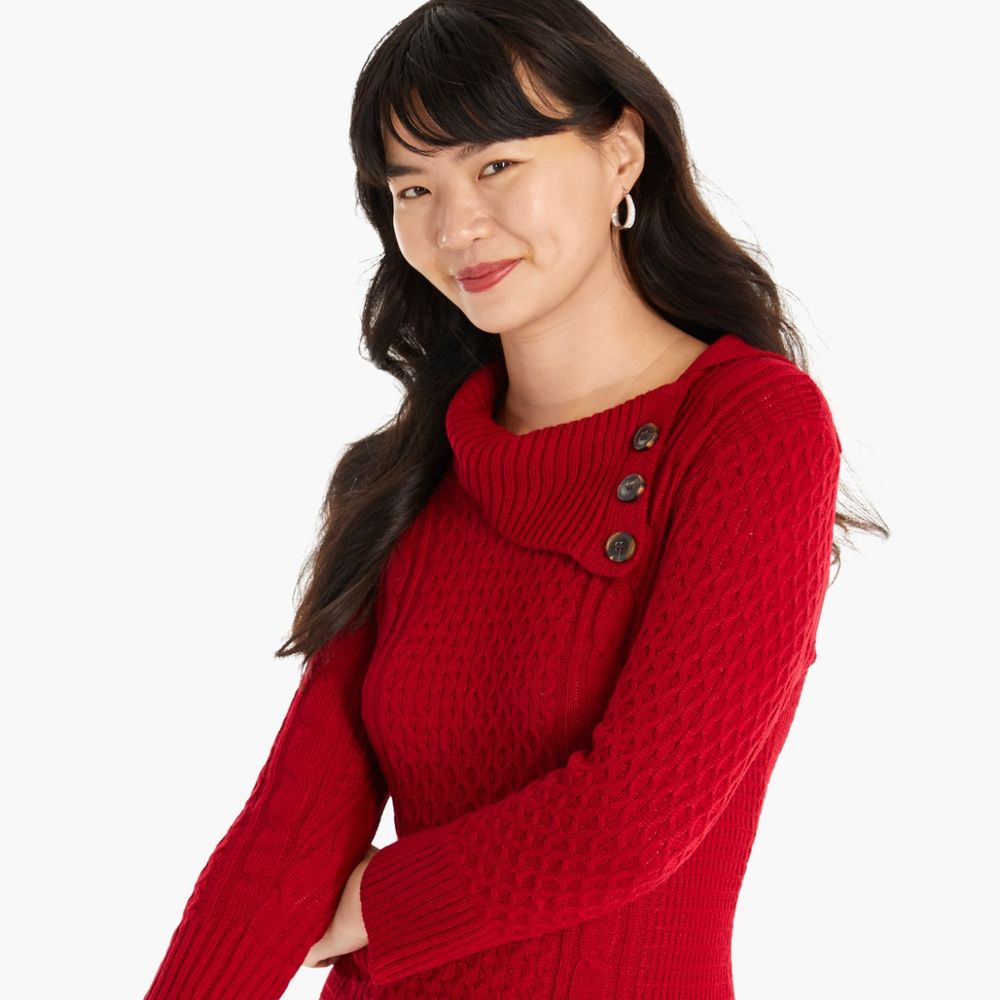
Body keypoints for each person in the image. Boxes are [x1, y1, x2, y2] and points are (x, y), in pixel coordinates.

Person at [143, 1, 888, 998]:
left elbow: (628, 822)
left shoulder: (749, 427)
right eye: (413, 187)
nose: (454, 226)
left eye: (496, 164)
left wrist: (364, 906)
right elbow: (285, 838)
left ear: (620, 152)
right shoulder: (405, 476)